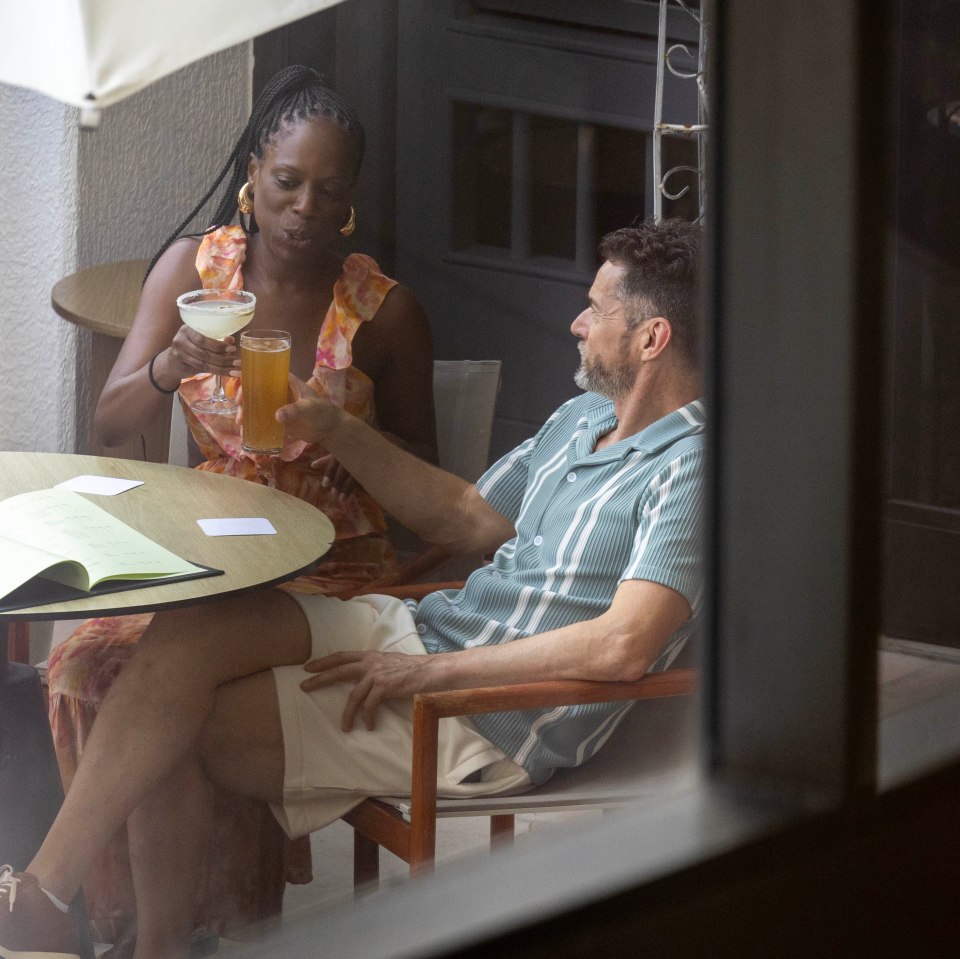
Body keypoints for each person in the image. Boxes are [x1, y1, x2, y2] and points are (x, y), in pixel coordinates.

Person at [0, 218, 705, 959]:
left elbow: (626, 643)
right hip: (427, 632)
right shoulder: (583, 417)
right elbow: (467, 516)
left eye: (595, 310)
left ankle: (136, 941)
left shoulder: (691, 468)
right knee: (192, 623)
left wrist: (426, 672)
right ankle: (48, 898)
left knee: (176, 721)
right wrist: (333, 426)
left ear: (652, 339)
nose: (576, 321)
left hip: (484, 715)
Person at [44, 65, 437, 951]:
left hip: (330, 576)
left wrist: (341, 433)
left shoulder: (384, 313)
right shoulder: (196, 275)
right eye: (288, 181)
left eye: (328, 191)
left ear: (349, 205)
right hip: (212, 558)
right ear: (254, 174)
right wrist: (167, 368)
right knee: (90, 668)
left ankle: (175, 929)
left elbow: (426, 494)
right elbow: (113, 422)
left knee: (167, 688)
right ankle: (161, 928)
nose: (304, 205)